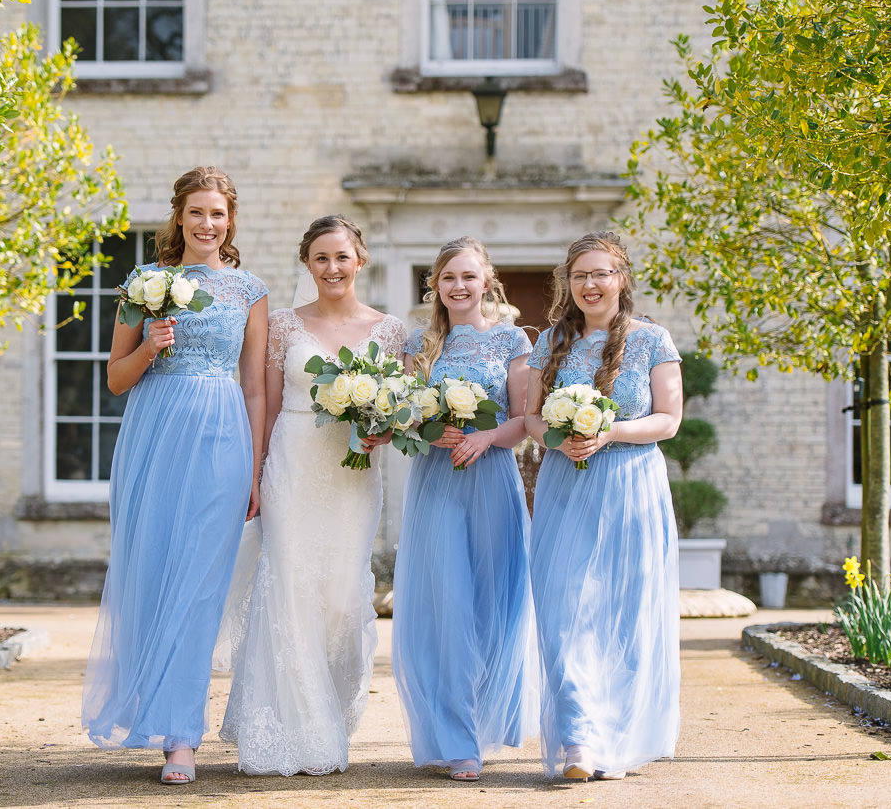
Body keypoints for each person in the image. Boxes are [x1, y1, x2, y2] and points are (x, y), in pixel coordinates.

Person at [81, 166, 268, 785]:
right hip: (155, 434)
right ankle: (162, 723)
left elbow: (254, 389)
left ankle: (184, 737)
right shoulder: (146, 282)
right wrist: (150, 346)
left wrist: (256, 472)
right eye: (196, 213)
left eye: (218, 214)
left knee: (201, 585)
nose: (207, 225)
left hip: (222, 437)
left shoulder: (250, 291)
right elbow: (114, 378)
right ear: (179, 218)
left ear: (229, 220)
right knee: (155, 571)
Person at [218, 215, 405, 775]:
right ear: (307, 263)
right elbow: (266, 406)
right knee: (289, 589)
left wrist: (385, 428)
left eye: (342, 257)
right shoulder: (281, 326)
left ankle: (329, 709)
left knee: (342, 596)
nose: (332, 268)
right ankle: (294, 734)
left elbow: (399, 411)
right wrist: (253, 475)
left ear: (361, 259)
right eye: (321, 258)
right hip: (293, 465)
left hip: (352, 476)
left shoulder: (391, 330)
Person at [524, 230, 683, 781]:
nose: (590, 284)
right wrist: (559, 437)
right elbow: (534, 420)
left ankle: (616, 738)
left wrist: (610, 430)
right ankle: (579, 742)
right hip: (566, 488)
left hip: (631, 488)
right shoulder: (549, 343)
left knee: (624, 612)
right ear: (568, 284)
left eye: (601, 273)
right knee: (563, 610)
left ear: (622, 279)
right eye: (580, 275)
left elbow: (668, 419)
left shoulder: (652, 340)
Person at [392, 236, 534, 782]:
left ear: (486, 279)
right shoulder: (420, 342)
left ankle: (488, 717)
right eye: (448, 277)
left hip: (492, 478)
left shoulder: (512, 340)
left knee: (491, 603)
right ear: (436, 285)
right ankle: (456, 739)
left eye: (469, 276)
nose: (459, 286)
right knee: (444, 606)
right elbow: (403, 415)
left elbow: (526, 417)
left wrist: (487, 438)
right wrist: (425, 427)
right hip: (436, 482)